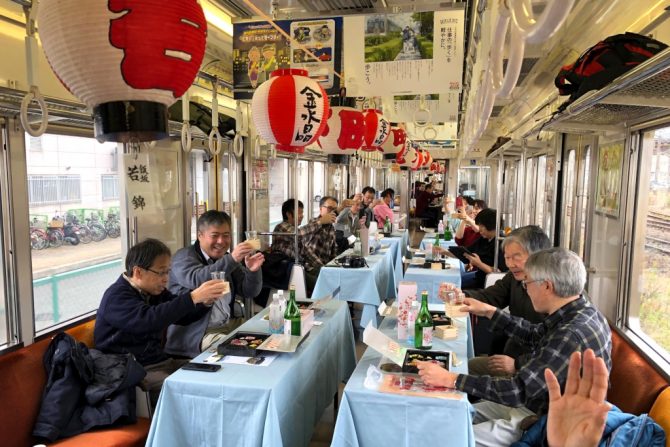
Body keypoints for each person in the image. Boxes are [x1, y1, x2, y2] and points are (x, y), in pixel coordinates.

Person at [417, 247, 612, 447]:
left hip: (544, 420)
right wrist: (489, 311)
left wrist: (452, 379)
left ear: (546, 286)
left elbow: (517, 390)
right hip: (533, 402)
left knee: (447, 438)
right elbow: (534, 334)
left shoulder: (571, 335)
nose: (525, 289)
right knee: (449, 415)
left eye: (527, 283)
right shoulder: (581, 310)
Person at [94, 238, 229, 405]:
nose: (166, 279)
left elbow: (184, 316)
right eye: (161, 272)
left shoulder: (154, 291)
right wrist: (193, 296)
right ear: (138, 272)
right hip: (130, 371)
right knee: (192, 389)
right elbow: (148, 320)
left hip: (160, 362)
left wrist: (206, 301)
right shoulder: (116, 297)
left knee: (214, 372)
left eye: (168, 272)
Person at [165, 211, 264, 357]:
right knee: (239, 352)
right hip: (196, 333)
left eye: (226, 235)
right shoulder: (184, 257)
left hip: (227, 324)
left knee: (267, 336)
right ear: (200, 236)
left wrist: (253, 270)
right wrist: (232, 258)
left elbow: (249, 291)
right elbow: (197, 279)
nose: (221, 241)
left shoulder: (225, 259)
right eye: (215, 236)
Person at [463, 225, 552, 376]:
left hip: (530, 371)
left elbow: (550, 351)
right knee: (465, 367)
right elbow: (490, 297)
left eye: (516, 257)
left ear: (538, 256)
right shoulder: (515, 278)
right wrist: (461, 296)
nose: (510, 264)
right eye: (507, 257)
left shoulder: (551, 293)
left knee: (461, 374)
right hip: (513, 352)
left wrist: (518, 364)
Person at [298, 196, 339, 294]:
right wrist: (324, 268)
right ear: (321, 209)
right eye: (329, 208)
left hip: (324, 268)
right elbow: (301, 233)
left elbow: (333, 253)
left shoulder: (331, 228)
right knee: (329, 285)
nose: (332, 212)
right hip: (310, 268)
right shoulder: (314, 224)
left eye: (334, 210)